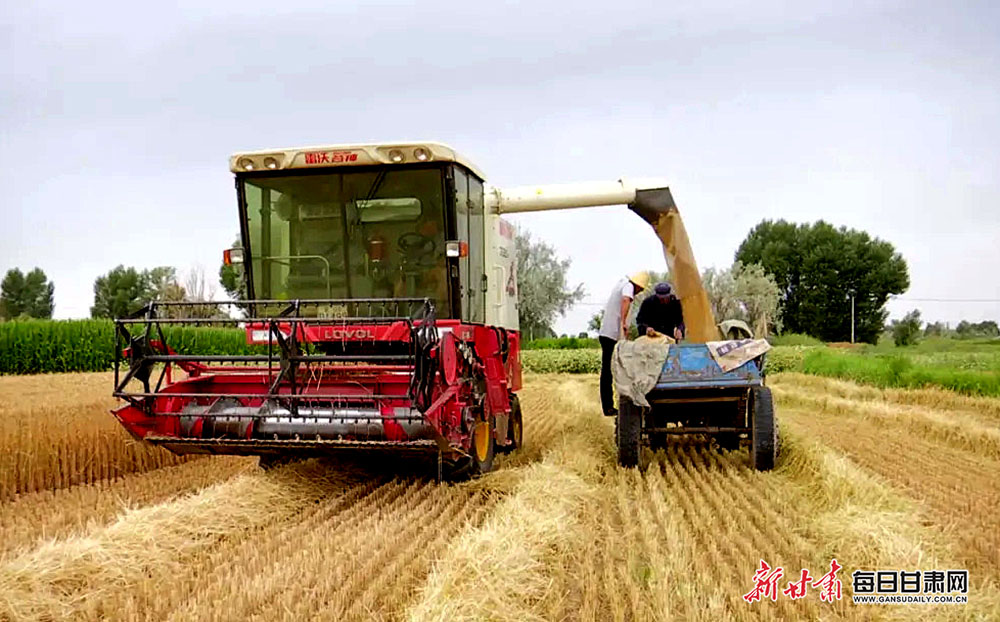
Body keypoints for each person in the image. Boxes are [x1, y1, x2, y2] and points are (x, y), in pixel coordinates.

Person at [598, 271, 650, 417]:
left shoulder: (621, 284)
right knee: (608, 370)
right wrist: (623, 323)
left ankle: (612, 404)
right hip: (611, 335)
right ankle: (608, 407)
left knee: (612, 370)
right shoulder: (628, 287)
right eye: (640, 290)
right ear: (638, 286)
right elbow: (626, 300)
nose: (639, 293)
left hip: (609, 334)